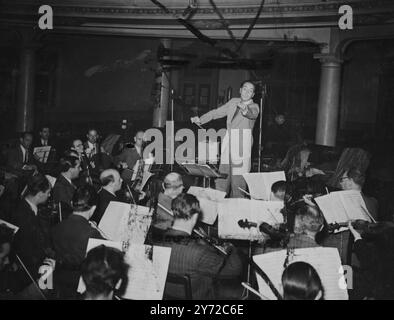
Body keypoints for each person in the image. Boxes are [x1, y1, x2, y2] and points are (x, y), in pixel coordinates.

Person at [154, 193, 243, 299]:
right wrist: (232, 248)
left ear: (174, 212)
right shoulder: (201, 253)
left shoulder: (156, 241)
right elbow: (234, 271)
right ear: (195, 216)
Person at [191, 81, 259, 198]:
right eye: (245, 89)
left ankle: (237, 215)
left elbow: (252, 114)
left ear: (253, 95)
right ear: (240, 90)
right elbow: (216, 113)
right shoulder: (233, 102)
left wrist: (245, 110)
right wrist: (200, 119)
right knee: (221, 181)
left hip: (241, 146)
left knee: (238, 185)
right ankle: (218, 212)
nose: (247, 92)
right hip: (228, 143)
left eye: (250, 90)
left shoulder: (254, 106)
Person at [51, 185, 104, 298]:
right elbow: (107, 253)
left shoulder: (57, 226)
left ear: (71, 203)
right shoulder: (91, 233)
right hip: (81, 283)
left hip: (60, 281)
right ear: (94, 208)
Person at [13, 174, 52, 277]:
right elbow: (29, 250)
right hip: (31, 269)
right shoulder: (24, 217)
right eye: (48, 193)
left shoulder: (25, 205)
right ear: (39, 194)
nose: (49, 196)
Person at [150, 172, 184, 238]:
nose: (183, 187)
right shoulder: (176, 208)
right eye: (181, 185)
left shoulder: (152, 201)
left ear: (163, 185)